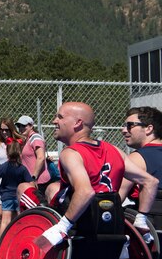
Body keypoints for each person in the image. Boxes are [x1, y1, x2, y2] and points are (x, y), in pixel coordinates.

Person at [40, 101, 158, 247]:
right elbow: (151, 182)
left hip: (79, 228)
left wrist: (61, 227)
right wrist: (140, 219)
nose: (54, 121)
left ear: (77, 123)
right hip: (111, 226)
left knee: (27, 189)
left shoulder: (71, 153)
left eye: (60, 117)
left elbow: (85, 192)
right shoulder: (115, 150)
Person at [119, 106, 162, 221]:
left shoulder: (137, 159)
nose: (123, 130)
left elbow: (118, 197)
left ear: (148, 129)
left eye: (129, 125)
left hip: (151, 225)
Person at [0, 140, 32, 239]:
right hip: (18, 197)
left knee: (5, 221)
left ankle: (1, 245)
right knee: (19, 220)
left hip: (6, 196)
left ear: (7, 153)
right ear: (19, 152)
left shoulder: (3, 167)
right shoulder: (22, 168)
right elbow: (30, 183)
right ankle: (18, 240)